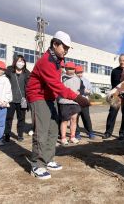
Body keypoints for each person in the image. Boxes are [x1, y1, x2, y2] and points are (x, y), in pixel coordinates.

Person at [26, 31, 89, 180]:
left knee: (53, 129)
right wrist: (78, 97)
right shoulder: (46, 61)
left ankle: (47, 159)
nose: (65, 51)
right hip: (38, 96)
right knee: (41, 131)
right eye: (64, 47)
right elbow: (57, 85)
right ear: (55, 44)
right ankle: (37, 165)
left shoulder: (58, 60)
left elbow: (56, 85)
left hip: (50, 97)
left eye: (68, 48)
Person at [102, 54, 124, 140]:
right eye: (120, 60)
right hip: (116, 96)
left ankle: (122, 134)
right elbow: (113, 84)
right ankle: (108, 132)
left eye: (123, 60)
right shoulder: (114, 71)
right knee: (112, 114)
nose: (122, 62)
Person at [4, 55, 31, 142]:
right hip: (10, 99)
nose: (21, 63)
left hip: (22, 100)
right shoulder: (9, 71)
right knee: (8, 118)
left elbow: (29, 86)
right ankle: (7, 134)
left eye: (23, 61)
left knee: (21, 118)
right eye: (19, 61)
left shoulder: (27, 73)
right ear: (15, 61)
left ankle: (20, 135)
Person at [58, 62, 81, 145]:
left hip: (75, 102)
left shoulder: (78, 79)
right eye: (69, 69)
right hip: (64, 102)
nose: (71, 70)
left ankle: (72, 137)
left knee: (74, 120)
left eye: (72, 69)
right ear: (65, 69)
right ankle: (63, 138)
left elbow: (80, 90)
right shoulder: (61, 77)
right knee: (64, 120)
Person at [75, 65, 95, 140]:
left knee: (86, 118)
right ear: (75, 73)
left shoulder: (86, 81)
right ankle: (77, 133)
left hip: (84, 102)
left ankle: (90, 132)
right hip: (75, 102)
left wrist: (88, 91)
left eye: (81, 72)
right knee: (75, 119)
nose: (79, 74)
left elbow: (91, 90)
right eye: (77, 73)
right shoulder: (73, 80)